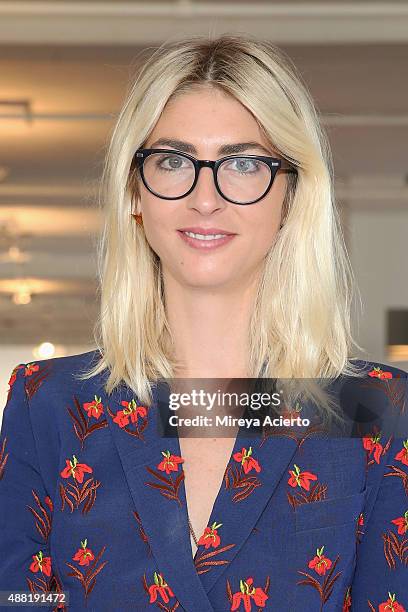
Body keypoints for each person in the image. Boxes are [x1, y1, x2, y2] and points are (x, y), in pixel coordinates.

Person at [0, 34, 407, 612]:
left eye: (242, 164)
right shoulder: (49, 405)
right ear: (135, 191)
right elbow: (18, 598)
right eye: (172, 161)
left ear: (290, 195)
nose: (206, 197)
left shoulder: (375, 409)